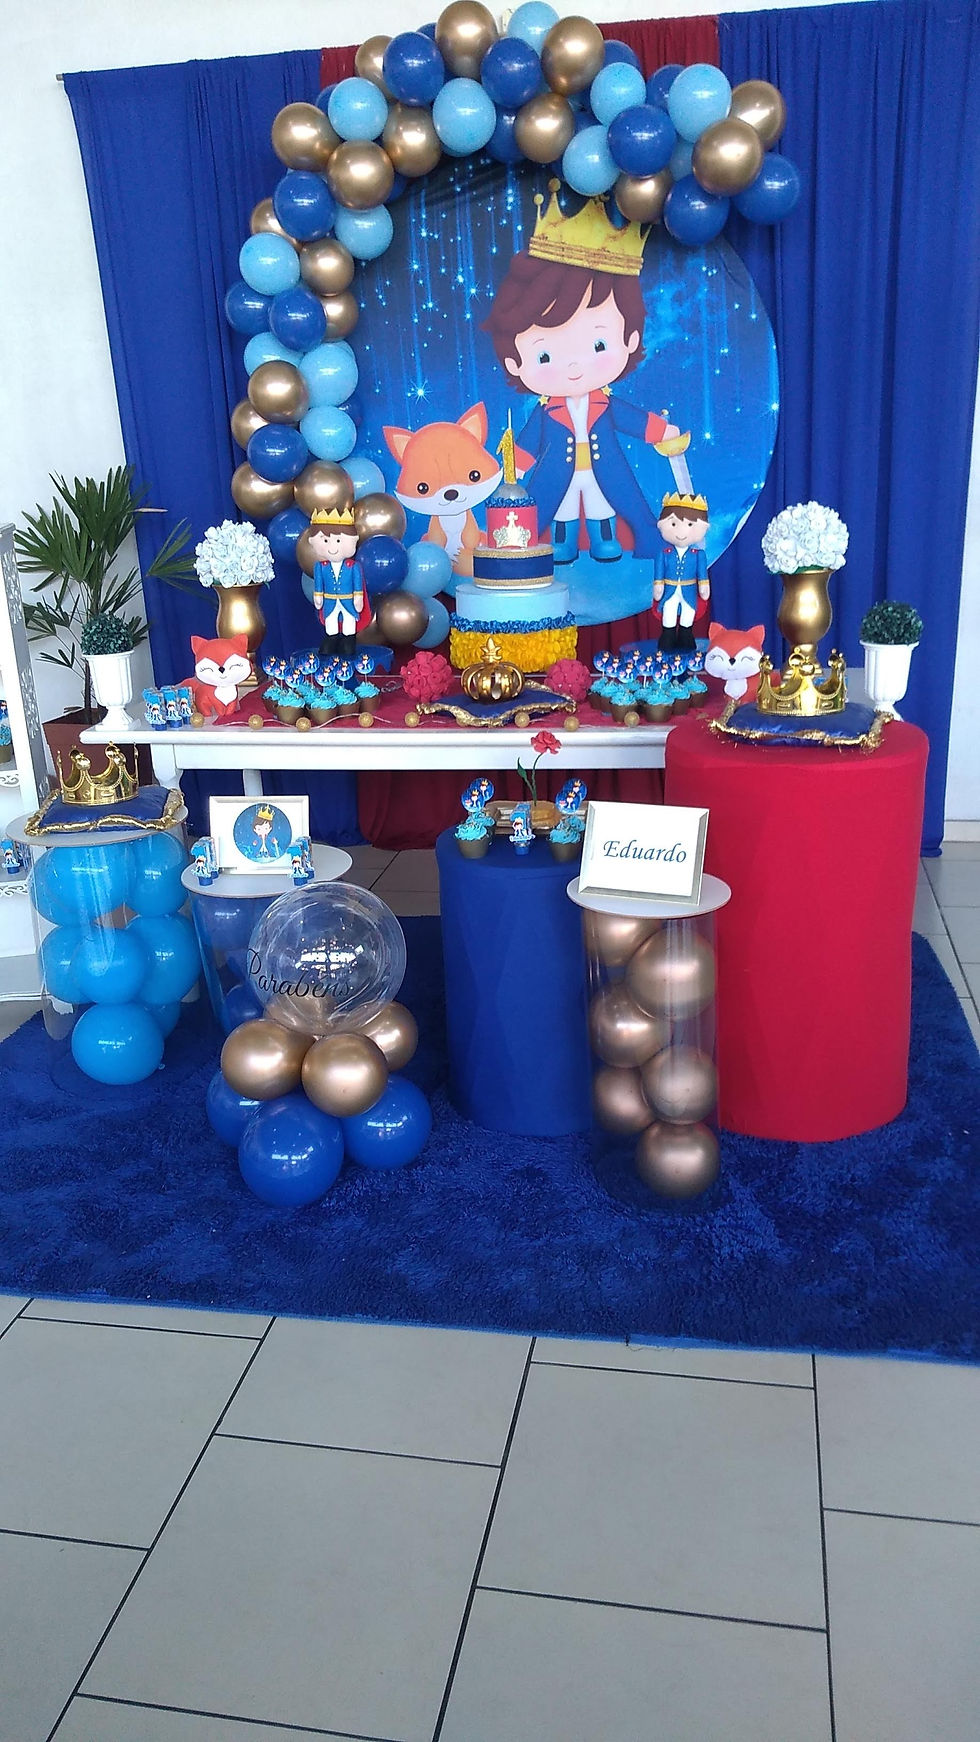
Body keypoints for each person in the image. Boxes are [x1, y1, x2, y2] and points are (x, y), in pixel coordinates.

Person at [482, 182, 685, 564]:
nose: (573, 366)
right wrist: (514, 467)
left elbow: (633, 419)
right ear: (514, 363)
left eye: (598, 345)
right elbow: (528, 443)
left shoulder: (605, 404)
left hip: (604, 468)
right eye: (544, 355)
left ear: (630, 340)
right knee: (558, 508)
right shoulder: (547, 411)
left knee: (602, 502)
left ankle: (607, 540)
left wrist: (662, 431)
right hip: (557, 473)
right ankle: (560, 543)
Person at [308, 508, 371, 660]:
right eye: (325, 540)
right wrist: (318, 596)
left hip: (348, 600)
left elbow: (357, 584)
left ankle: (348, 641)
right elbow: (319, 584)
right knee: (330, 620)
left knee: (349, 620)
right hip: (329, 601)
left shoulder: (353, 567)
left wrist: (358, 598)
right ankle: (332, 639)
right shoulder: (320, 567)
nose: (333, 547)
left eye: (338, 541)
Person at [653, 493, 711, 653]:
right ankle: (668, 637)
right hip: (669, 590)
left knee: (688, 613)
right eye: (673, 524)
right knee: (668, 611)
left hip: (689, 590)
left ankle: (686, 637)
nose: (681, 531)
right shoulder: (664, 554)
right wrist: (658, 586)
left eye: (690, 524)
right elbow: (659, 573)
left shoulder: (698, 555)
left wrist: (704, 586)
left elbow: (702, 574)